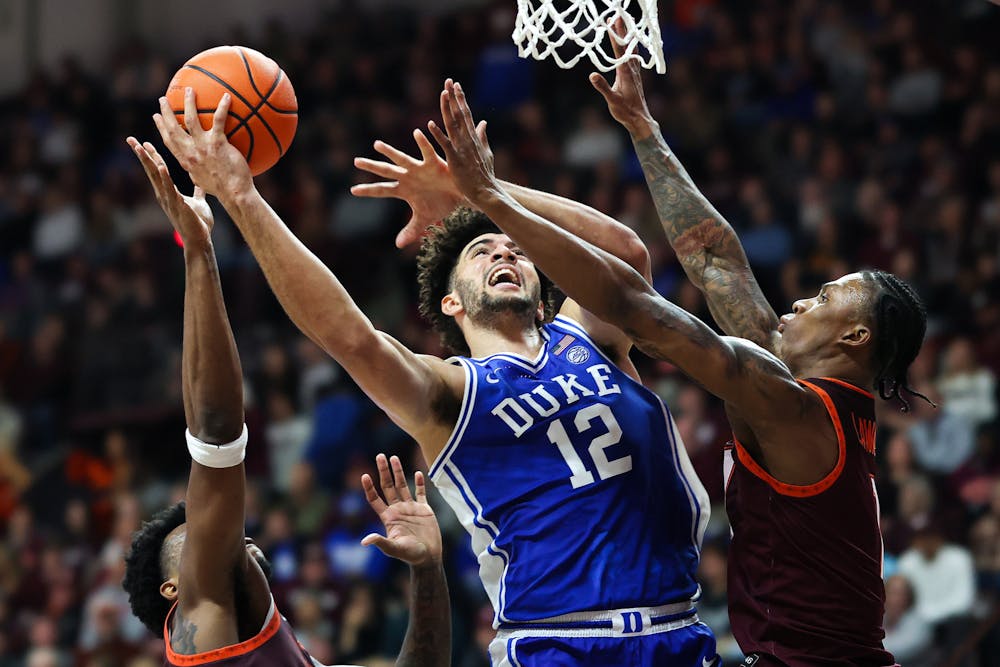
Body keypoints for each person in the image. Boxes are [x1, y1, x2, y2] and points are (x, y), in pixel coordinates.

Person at [139, 88, 718, 666]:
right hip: (558, 644)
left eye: (516, 250)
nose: (504, 254)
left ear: (544, 294)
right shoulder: (451, 390)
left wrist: (486, 194)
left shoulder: (592, 336)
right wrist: (242, 196)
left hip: (679, 628)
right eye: (482, 251)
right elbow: (349, 336)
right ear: (451, 304)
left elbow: (627, 254)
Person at [423, 63, 927, 665]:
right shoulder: (809, 393)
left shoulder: (792, 407)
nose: (800, 300)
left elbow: (630, 303)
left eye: (822, 299)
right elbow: (715, 259)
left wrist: (490, 198)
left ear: (855, 337)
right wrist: (642, 127)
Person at [120, 136, 450, 667]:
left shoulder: (288, 654)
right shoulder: (199, 620)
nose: (223, 530)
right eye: (197, 536)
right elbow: (214, 432)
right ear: (173, 590)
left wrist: (429, 570)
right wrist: (199, 253)